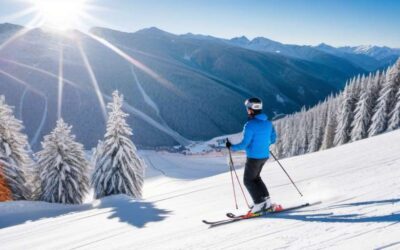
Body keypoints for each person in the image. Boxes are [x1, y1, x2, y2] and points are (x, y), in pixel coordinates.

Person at [226, 97, 276, 214]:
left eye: (248, 109)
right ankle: (266, 202)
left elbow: (244, 144)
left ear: (251, 110)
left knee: (248, 181)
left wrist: (231, 146)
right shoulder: (269, 123)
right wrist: (263, 144)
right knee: (256, 178)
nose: (247, 111)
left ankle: (258, 204)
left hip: (254, 157)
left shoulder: (250, 125)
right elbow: (273, 139)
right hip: (264, 156)